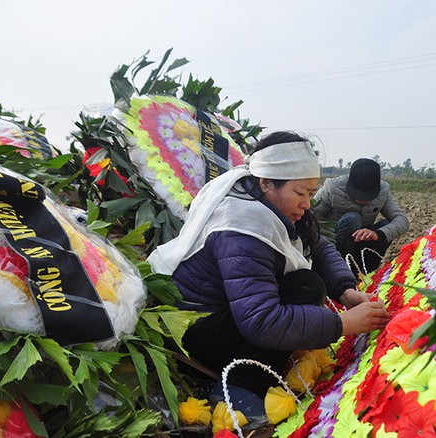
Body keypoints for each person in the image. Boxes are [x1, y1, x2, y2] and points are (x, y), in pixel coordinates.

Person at [147, 132, 389, 411]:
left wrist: (346, 291)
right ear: (266, 182)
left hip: (230, 311)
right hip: (196, 331)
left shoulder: (273, 204)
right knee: (305, 287)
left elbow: (318, 246)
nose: (307, 203)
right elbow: (261, 320)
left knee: (306, 285)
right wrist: (343, 325)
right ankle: (238, 390)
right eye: (300, 193)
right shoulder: (243, 224)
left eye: (311, 193)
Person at [312, 158, 410, 277]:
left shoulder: (383, 191)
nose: (361, 200)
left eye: (367, 196)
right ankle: (340, 268)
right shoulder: (333, 187)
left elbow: (402, 220)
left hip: (362, 243)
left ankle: (365, 271)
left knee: (386, 225)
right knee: (353, 218)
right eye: (357, 194)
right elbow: (312, 216)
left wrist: (377, 234)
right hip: (335, 243)